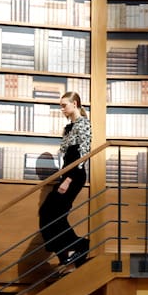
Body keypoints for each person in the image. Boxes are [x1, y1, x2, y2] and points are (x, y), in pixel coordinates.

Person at [38, 91, 92, 269]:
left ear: (75, 104)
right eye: (61, 105)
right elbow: (66, 153)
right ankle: (68, 251)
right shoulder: (68, 127)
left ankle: (78, 247)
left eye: (64, 105)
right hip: (66, 173)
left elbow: (83, 154)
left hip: (74, 175)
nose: (61, 109)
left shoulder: (84, 124)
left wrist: (68, 179)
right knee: (49, 213)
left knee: (51, 214)